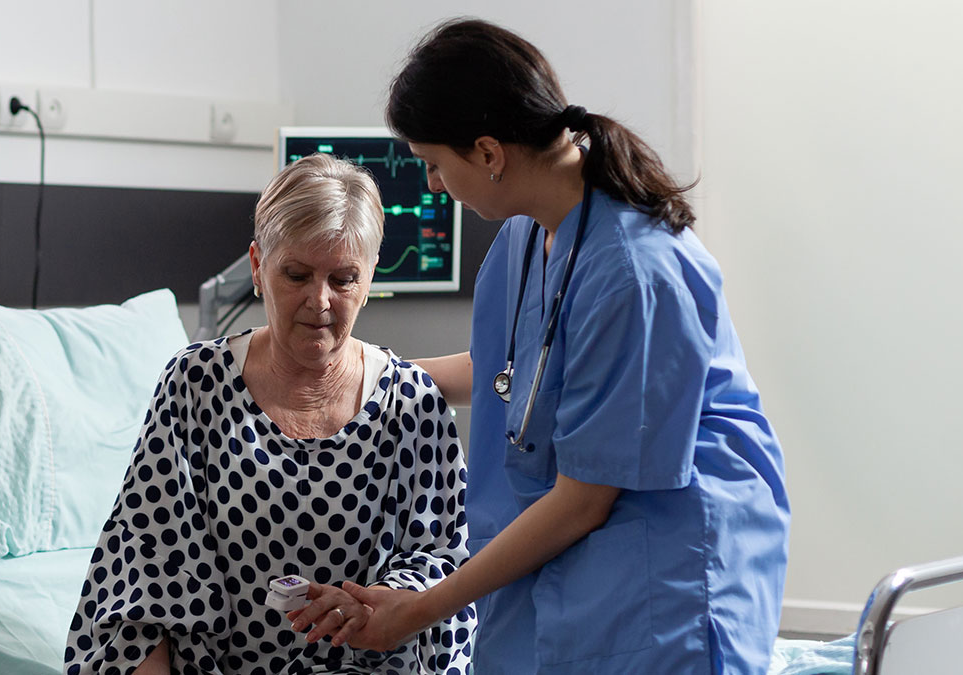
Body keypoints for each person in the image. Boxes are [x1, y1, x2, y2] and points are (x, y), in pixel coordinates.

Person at [321, 18, 791, 674]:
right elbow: (513, 372)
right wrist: (359, 375)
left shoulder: (635, 270)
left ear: (487, 153)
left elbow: (587, 495)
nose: (432, 185)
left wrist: (422, 607)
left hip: (662, 566)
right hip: (568, 542)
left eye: (434, 164)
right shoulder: (525, 239)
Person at [64, 153, 476, 675]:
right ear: (258, 266)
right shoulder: (197, 386)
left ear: (370, 277)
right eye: (297, 275)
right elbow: (143, 574)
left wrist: (380, 601)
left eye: (343, 278)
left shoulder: (411, 404)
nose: (319, 300)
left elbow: (445, 562)